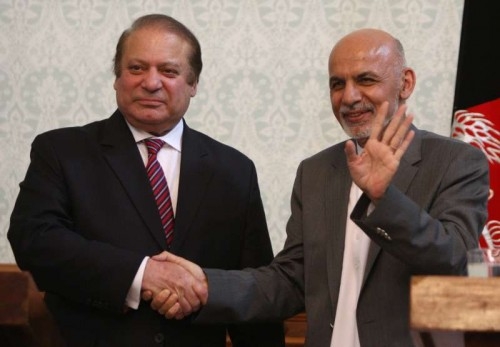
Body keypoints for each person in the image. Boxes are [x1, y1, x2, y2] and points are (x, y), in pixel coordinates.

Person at [144, 28, 490, 346]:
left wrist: (385, 197)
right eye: (337, 84)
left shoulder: (457, 162)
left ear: (405, 83)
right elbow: (291, 280)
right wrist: (207, 286)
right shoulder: (316, 172)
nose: (349, 97)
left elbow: (454, 263)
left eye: (366, 80)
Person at [7, 14, 284, 347]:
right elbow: (34, 240)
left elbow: (252, 289)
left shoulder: (234, 169)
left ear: (193, 84)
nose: (151, 83)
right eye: (136, 68)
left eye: (168, 71)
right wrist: (141, 275)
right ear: (117, 78)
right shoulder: (62, 151)